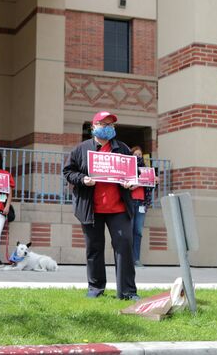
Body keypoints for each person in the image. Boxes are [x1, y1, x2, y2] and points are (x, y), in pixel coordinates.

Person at [62, 111, 139, 301]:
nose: (108, 128)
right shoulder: (81, 149)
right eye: (104, 124)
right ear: (94, 126)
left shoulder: (122, 149)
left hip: (118, 209)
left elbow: (134, 173)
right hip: (91, 208)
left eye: (111, 125)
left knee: (124, 247)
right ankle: (95, 288)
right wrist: (83, 179)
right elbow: (68, 172)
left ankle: (128, 292)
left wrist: (131, 182)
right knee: (94, 248)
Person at [129, 146, 154, 268]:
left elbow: (150, 186)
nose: (138, 157)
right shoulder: (128, 169)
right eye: (135, 154)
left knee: (138, 232)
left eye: (140, 154)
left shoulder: (146, 170)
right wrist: (139, 182)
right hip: (130, 202)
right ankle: (127, 259)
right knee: (128, 231)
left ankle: (136, 259)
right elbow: (127, 185)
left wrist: (155, 180)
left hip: (141, 204)